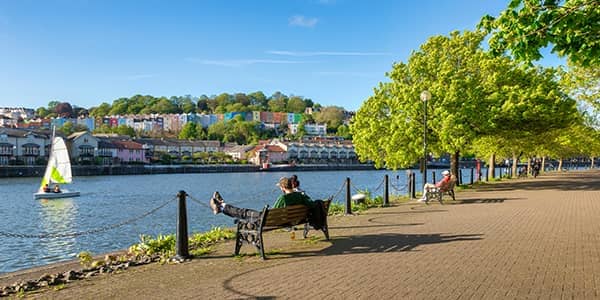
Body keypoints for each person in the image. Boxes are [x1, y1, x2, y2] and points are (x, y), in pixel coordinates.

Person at [209, 177, 314, 221]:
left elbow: (273, 213)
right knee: (245, 212)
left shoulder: (283, 198)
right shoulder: (300, 195)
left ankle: (222, 207)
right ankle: (222, 205)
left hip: (269, 220)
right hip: (292, 219)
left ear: (282, 188)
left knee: (244, 212)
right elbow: (311, 203)